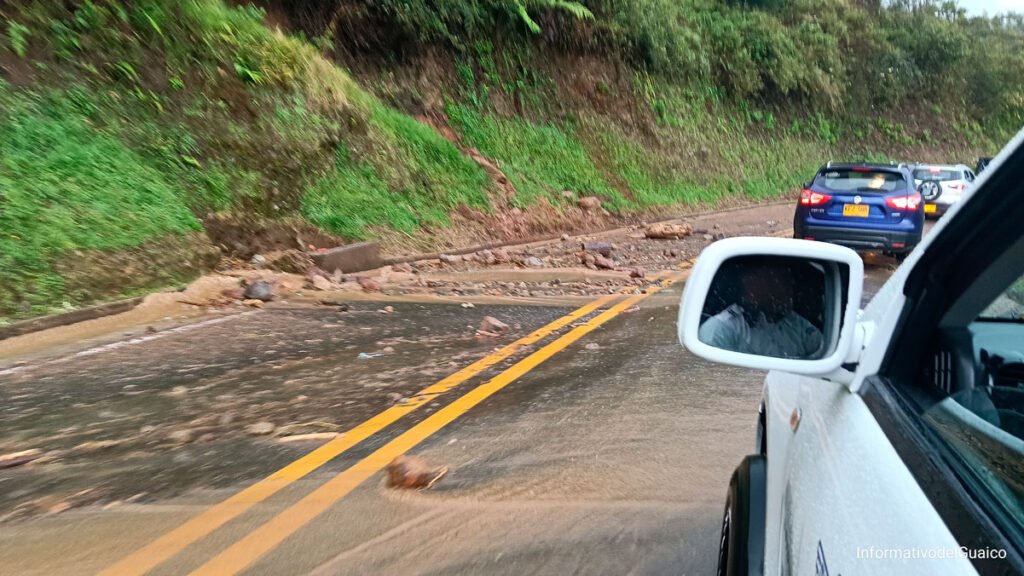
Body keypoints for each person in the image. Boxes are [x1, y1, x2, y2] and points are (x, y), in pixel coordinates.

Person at [698, 261, 823, 358]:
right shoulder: (720, 329)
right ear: (751, 283)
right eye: (779, 279)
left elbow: (822, 351)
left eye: (788, 279)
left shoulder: (796, 324)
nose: (789, 287)